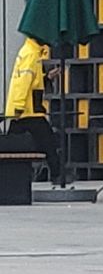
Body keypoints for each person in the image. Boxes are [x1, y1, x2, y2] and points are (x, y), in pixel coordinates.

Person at [4, 36, 61, 182]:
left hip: (26, 110)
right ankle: (58, 175)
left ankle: (10, 178)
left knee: (11, 146)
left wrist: (47, 78)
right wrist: (19, 106)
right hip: (29, 110)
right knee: (49, 143)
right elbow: (23, 82)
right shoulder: (31, 54)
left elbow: (32, 81)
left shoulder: (31, 52)